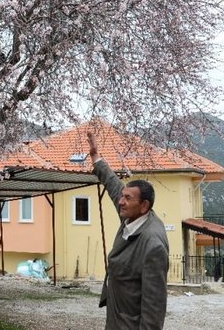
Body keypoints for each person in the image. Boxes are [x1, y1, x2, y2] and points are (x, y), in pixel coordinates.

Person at [87, 131, 169, 330]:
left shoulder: (153, 245)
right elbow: (114, 185)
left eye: (127, 198)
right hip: (116, 318)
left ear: (144, 206)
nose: (121, 202)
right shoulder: (132, 216)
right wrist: (96, 158)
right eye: (122, 197)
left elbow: (154, 307)